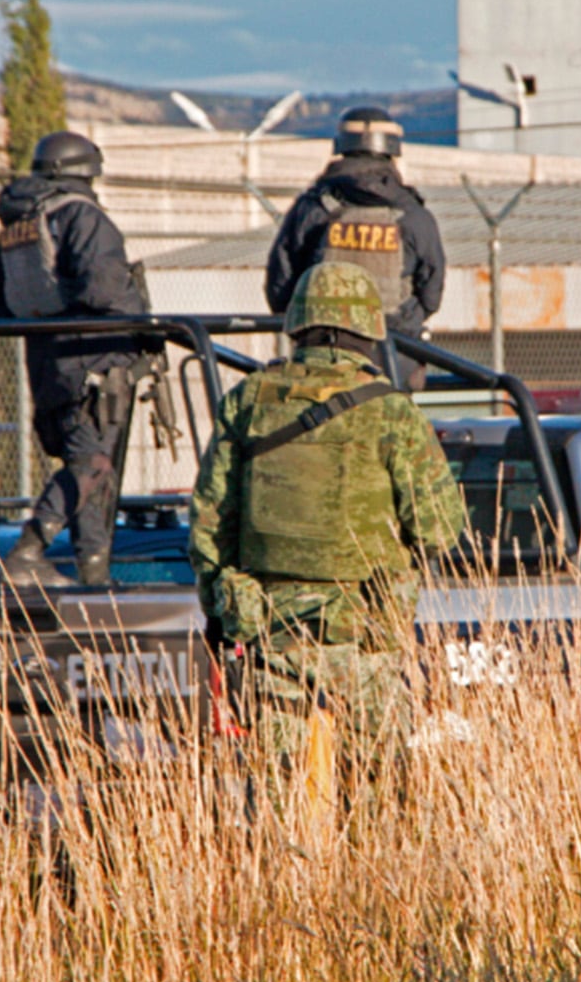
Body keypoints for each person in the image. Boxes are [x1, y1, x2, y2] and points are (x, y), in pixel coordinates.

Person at [190, 261, 467, 779]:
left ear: (297, 324)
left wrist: (220, 608)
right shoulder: (392, 413)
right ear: (368, 329)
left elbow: (209, 523)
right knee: (378, 795)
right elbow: (438, 529)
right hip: (364, 636)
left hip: (271, 632)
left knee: (275, 799)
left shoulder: (247, 400)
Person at [0, 130, 147, 587]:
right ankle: (29, 550)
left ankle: (95, 575)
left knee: (90, 467)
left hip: (47, 365)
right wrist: (138, 322)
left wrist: (48, 323)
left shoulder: (19, 224)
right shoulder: (82, 215)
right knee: (93, 463)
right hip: (95, 362)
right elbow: (104, 288)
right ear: (86, 172)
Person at [264, 107, 447, 383]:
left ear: (341, 146)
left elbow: (280, 288)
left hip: (321, 359)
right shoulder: (413, 215)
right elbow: (431, 293)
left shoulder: (313, 208)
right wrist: (399, 324)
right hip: (395, 357)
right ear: (392, 149)